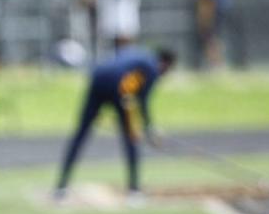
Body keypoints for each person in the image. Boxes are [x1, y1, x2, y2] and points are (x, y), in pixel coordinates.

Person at [53, 46, 176, 202]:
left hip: (97, 79)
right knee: (131, 138)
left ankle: (60, 187)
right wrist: (149, 129)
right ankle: (134, 190)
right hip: (118, 88)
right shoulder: (152, 69)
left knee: (80, 134)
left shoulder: (137, 54)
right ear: (165, 64)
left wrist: (99, 111)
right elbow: (141, 102)